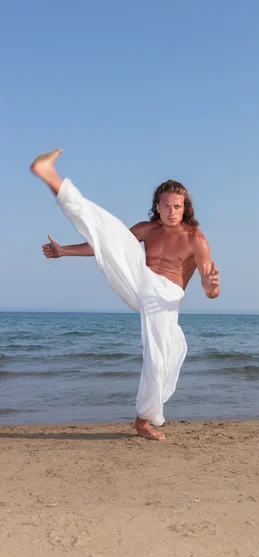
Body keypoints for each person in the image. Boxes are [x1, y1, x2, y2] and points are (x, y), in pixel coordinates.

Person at [30, 149, 220, 440]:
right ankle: (50, 176)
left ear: (185, 208)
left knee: (163, 358)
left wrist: (210, 287)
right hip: (139, 283)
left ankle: (142, 420)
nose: (172, 212)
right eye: (166, 206)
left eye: (177, 207)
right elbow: (107, 248)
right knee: (111, 232)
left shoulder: (196, 238)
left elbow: (211, 288)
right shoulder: (147, 229)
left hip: (165, 298)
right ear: (157, 206)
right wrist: (63, 251)